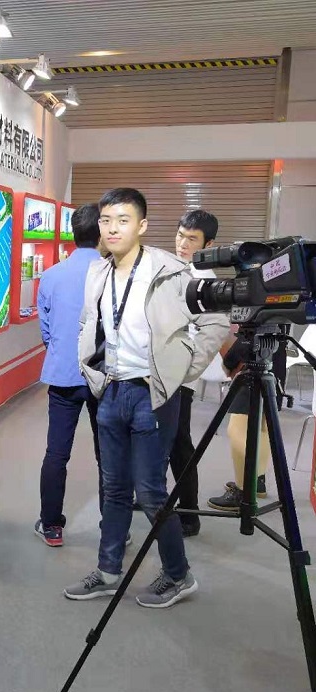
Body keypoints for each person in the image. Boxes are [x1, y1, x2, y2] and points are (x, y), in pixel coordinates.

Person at [64, 188, 227, 608]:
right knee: (114, 487)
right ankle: (108, 571)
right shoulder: (98, 272)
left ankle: (178, 574)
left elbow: (216, 319)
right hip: (111, 390)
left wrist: (183, 370)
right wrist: (89, 364)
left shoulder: (171, 271)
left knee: (151, 491)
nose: (112, 228)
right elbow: (88, 322)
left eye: (122, 220)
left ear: (142, 225)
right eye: (106, 220)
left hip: (152, 393)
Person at [33, 203, 102, 548]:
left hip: (63, 375)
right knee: (109, 455)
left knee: (56, 453)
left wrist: (63, 352)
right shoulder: (113, 274)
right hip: (104, 377)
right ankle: (114, 526)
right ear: (102, 232)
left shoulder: (51, 275)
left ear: (72, 234)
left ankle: (51, 526)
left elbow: (46, 330)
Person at [169, 209, 219, 537]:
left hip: (181, 375)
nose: (183, 244)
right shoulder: (171, 268)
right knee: (160, 440)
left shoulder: (206, 280)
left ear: (208, 244)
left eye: (192, 239)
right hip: (159, 370)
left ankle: (189, 513)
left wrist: (188, 371)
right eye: (180, 235)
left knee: (179, 443)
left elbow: (212, 334)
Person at [206, 326, 287, 510]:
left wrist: (230, 360)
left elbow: (251, 331)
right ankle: (256, 480)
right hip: (273, 358)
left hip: (252, 361)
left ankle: (243, 490)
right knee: (262, 424)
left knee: (237, 430)